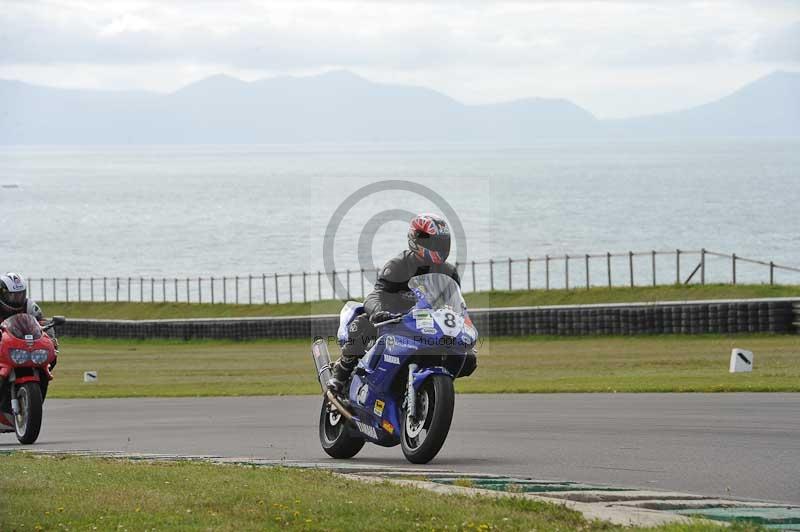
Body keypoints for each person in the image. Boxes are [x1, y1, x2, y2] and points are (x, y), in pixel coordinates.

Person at [329, 213, 474, 391]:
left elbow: (454, 305)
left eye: (442, 243)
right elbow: (377, 294)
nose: (439, 247)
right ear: (416, 239)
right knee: (362, 324)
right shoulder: (398, 265)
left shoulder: (449, 272)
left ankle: (432, 387)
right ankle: (342, 372)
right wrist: (378, 312)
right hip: (393, 320)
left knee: (468, 358)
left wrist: (462, 324)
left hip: (426, 325)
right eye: (434, 243)